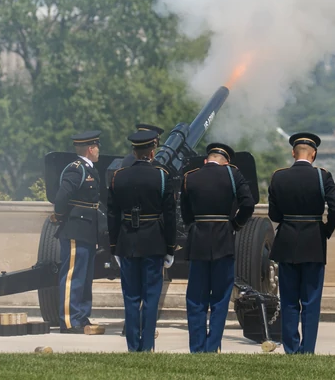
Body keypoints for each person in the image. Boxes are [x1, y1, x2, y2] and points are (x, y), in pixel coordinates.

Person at [268, 132, 335, 354]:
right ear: (314, 154)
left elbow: (274, 214)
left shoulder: (279, 177)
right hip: (314, 242)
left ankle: (291, 348)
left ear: (293, 153)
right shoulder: (322, 176)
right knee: (311, 300)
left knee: (289, 299)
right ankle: (308, 348)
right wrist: (325, 230)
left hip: (287, 242)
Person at [180, 142, 255, 353]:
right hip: (224, 240)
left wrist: (195, 225)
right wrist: (235, 224)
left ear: (206, 160)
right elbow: (248, 204)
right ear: (226, 162)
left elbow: (185, 211)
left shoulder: (190, 177)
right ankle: (213, 347)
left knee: (196, 298)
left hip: (198, 242)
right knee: (220, 299)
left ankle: (197, 347)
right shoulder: (233, 175)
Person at [107, 130, 177, 352]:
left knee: (130, 296)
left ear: (134, 152)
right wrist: (170, 248)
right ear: (152, 151)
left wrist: (114, 246)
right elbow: (170, 216)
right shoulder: (162, 176)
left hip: (127, 242)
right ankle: (147, 346)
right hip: (154, 242)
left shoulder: (118, 176)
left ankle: (132, 345)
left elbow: (112, 215)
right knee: (151, 296)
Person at [52, 130, 105, 335]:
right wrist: (60, 216)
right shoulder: (76, 169)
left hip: (87, 229)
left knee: (84, 277)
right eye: (97, 147)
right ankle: (69, 320)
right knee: (73, 276)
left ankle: (81, 317)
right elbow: (61, 198)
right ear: (90, 149)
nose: (99, 150)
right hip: (75, 228)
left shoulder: (89, 169)